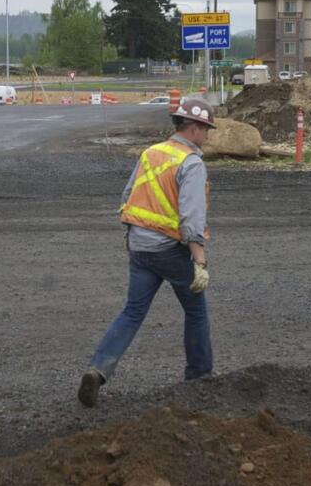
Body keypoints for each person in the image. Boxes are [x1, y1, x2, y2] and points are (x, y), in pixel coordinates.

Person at [78, 97, 216, 407]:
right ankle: (201, 376)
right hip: (169, 248)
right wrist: (199, 258)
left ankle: (98, 370)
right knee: (196, 311)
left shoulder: (151, 153)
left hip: (139, 246)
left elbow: (128, 195)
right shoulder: (191, 163)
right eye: (206, 129)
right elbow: (192, 216)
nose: (207, 136)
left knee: (132, 311)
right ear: (193, 128)